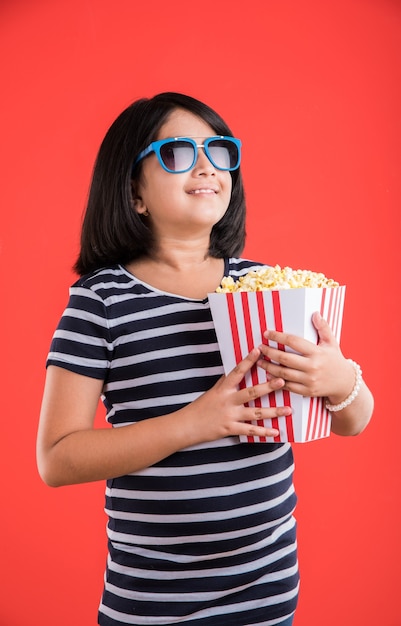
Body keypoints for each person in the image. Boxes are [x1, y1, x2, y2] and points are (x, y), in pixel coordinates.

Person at [36, 92, 374, 626]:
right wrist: (194, 423)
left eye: (219, 150)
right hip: (152, 598)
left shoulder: (268, 288)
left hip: (268, 587)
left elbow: (354, 420)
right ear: (134, 191)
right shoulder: (101, 302)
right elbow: (56, 459)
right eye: (177, 151)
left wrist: (340, 380)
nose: (206, 166)